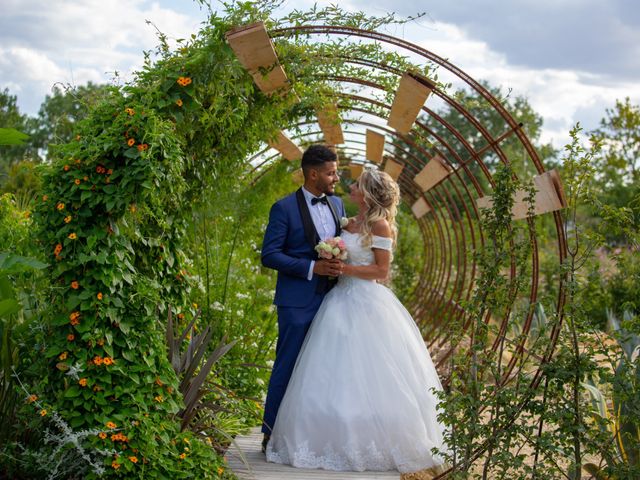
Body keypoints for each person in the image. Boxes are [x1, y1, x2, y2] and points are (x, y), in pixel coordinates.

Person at [266, 168, 449, 475]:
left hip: (367, 302)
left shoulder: (379, 226)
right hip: (336, 302)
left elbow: (381, 272)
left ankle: (373, 438)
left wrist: (344, 270)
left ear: (367, 193)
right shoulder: (348, 222)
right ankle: (325, 435)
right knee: (327, 371)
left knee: (371, 371)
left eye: (357, 184)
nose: (350, 186)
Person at [260, 144, 347, 453]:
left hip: (335, 300)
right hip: (297, 302)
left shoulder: (337, 205)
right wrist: (313, 266)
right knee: (288, 364)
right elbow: (269, 255)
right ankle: (271, 435)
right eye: (331, 172)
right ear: (313, 174)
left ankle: (314, 438)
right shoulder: (283, 208)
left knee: (326, 369)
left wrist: (340, 264)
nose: (336, 177)